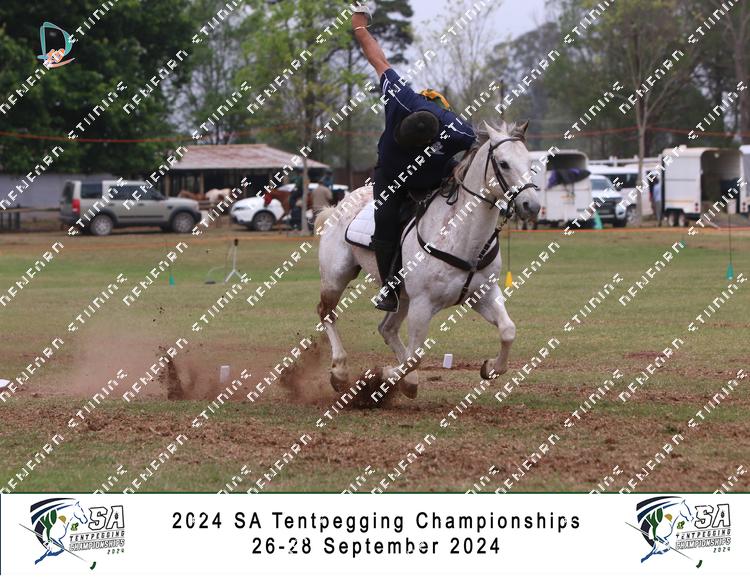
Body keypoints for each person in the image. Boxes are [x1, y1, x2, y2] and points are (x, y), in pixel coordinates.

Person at [352, 9, 476, 312]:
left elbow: (478, 147)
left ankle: (472, 269)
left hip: (435, 175)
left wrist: (460, 170)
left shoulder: (455, 129)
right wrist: (359, 28)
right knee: (384, 219)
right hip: (391, 176)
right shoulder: (399, 98)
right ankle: (389, 289)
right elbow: (378, 60)